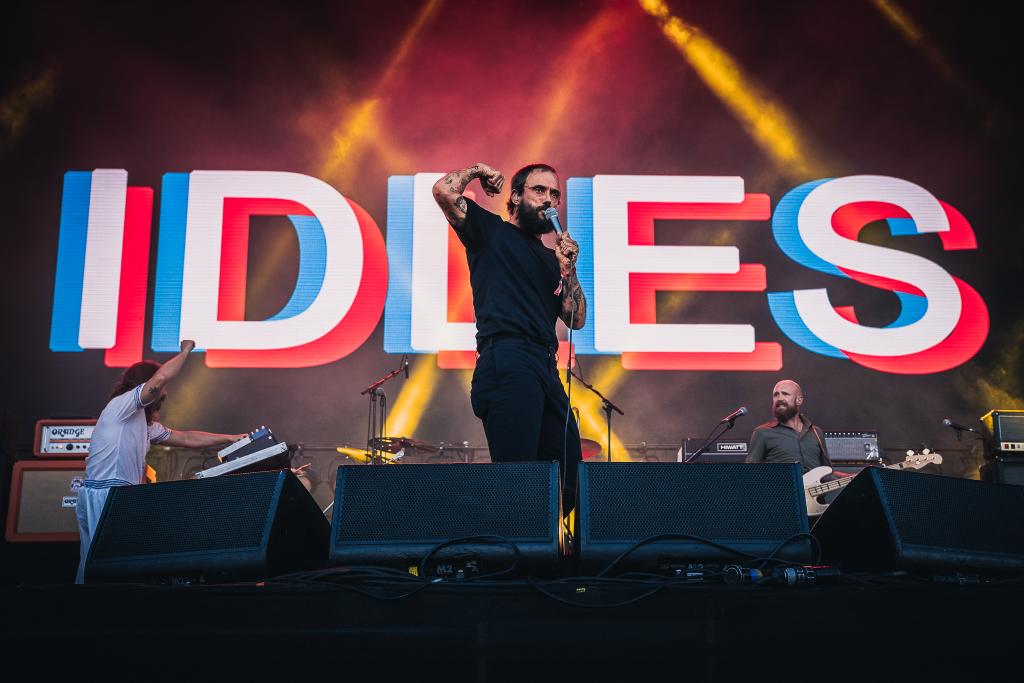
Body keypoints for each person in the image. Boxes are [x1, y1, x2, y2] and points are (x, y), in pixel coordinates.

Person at [432, 162, 587, 512]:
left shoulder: (552, 260)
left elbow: (576, 319)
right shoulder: (492, 232)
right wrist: (477, 170)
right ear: (515, 196)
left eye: (554, 194)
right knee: (518, 478)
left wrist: (568, 269)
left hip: (544, 367)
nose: (549, 200)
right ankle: (515, 552)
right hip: (507, 357)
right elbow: (444, 191)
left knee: (571, 475)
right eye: (539, 190)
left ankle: (548, 551)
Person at [75, 340, 245, 583]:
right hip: (105, 495)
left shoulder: (145, 426)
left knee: (115, 566)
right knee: (103, 569)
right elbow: (159, 380)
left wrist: (230, 438)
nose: (162, 400)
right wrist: (187, 349)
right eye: (160, 398)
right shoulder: (121, 408)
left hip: (119, 496)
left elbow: (185, 437)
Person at [745, 379, 831, 472]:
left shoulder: (816, 432)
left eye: (785, 394)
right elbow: (750, 474)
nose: (779, 398)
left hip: (816, 486)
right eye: (776, 395)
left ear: (799, 400)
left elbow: (828, 473)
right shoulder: (762, 432)